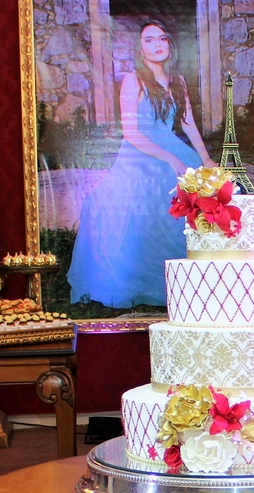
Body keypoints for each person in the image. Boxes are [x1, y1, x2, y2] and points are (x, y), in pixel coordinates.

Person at [68, 21, 215, 308]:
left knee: (194, 199)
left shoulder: (177, 80)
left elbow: (187, 122)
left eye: (162, 38)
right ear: (140, 48)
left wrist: (205, 157)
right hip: (140, 151)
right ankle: (145, 282)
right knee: (121, 209)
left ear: (170, 43)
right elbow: (132, 132)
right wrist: (169, 158)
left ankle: (188, 284)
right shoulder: (133, 80)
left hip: (170, 144)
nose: (157, 44)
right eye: (149, 40)